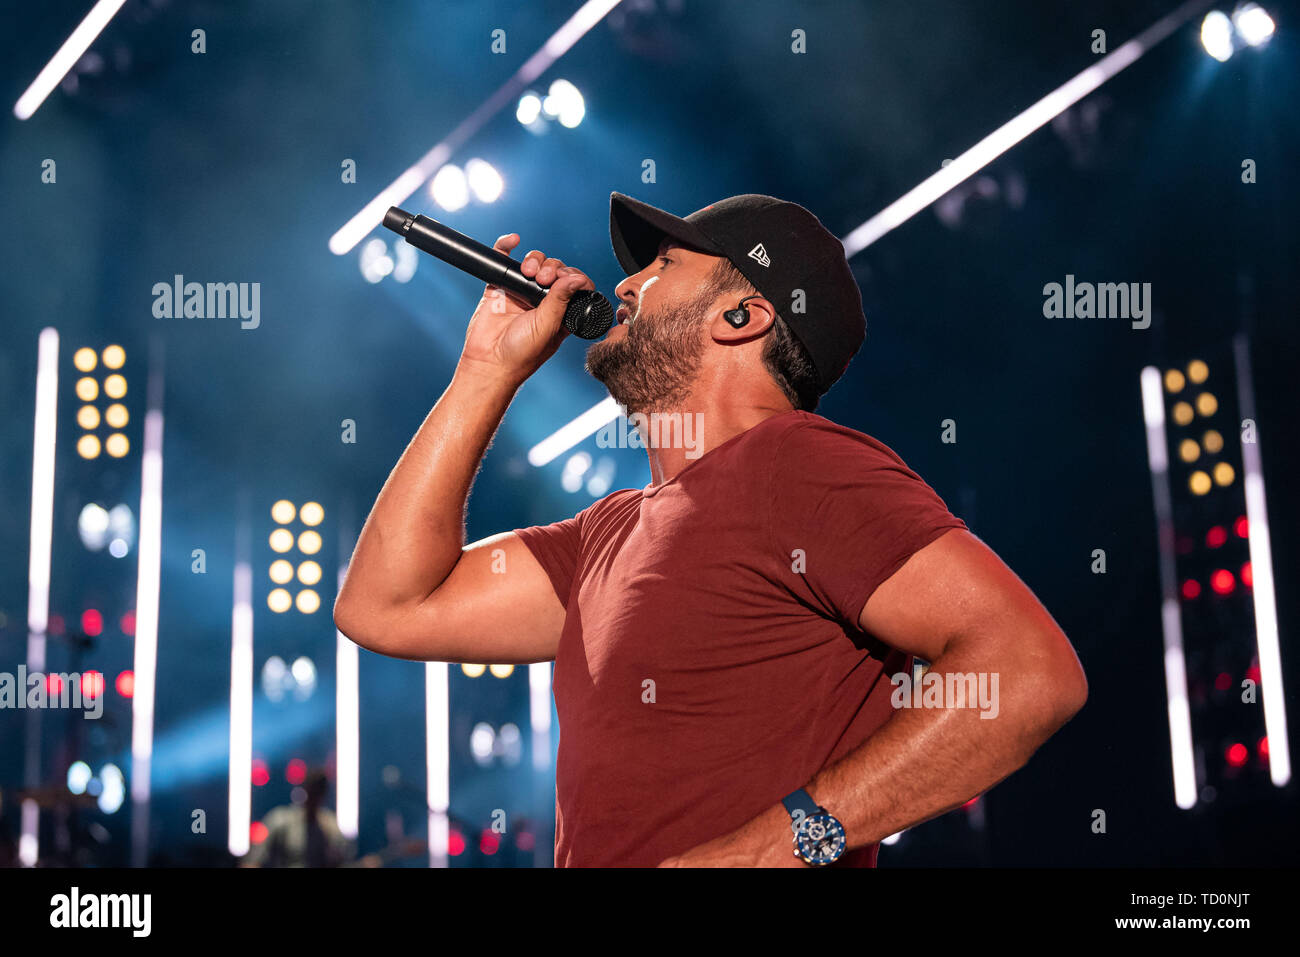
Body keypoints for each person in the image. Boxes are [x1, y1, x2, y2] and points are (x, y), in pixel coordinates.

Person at [335, 192, 1088, 867]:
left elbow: (1029, 673)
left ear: (744, 316)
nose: (624, 283)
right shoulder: (608, 533)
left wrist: (778, 843)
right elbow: (384, 607)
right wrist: (483, 370)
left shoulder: (799, 465)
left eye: (662, 264)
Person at [240, 769, 358, 868]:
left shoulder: (331, 827)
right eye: (313, 790)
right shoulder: (280, 821)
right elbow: (253, 860)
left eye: (318, 791)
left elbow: (344, 861)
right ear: (306, 789)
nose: (315, 796)